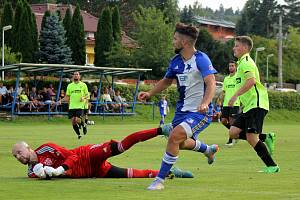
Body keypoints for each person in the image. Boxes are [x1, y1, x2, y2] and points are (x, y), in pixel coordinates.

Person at [138, 23, 219, 190]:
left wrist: (205, 102)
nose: (172, 42)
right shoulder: (175, 61)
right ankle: (207, 150)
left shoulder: (201, 59)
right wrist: (150, 93)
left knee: (175, 136)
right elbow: (167, 81)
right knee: (179, 143)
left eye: (175, 39)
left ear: (185, 43)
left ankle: (159, 180)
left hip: (200, 112)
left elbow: (211, 83)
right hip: (182, 112)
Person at [12, 128, 193, 179]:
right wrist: (46, 175)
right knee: (131, 174)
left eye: (20, 152)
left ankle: (161, 130)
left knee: (122, 146)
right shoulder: (31, 172)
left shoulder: (45, 148)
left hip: (87, 155)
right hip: (91, 172)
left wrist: (60, 169)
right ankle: (169, 172)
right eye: (16, 157)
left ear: (28, 147)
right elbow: (44, 177)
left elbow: (72, 156)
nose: (19, 157)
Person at [228, 36, 279, 173]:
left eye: (237, 45)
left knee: (251, 138)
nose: (234, 48)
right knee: (233, 132)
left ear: (245, 48)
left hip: (257, 104)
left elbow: (251, 81)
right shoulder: (241, 64)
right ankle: (266, 137)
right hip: (250, 106)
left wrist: (235, 96)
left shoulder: (246, 62)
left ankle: (272, 166)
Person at [59, 72, 89, 139]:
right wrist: (60, 101)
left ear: (79, 76)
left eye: (77, 74)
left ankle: (84, 125)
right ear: (73, 76)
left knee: (77, 119)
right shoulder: (70, 85)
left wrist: (83, 98)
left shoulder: (83, 85)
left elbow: (87, 95)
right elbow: (67, 97)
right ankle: (79, 134)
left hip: (80, 106)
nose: (76, 76)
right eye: (74, 74)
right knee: (73, 121)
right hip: (72, 106)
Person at [221, 61, 241, 146]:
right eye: (229, 66)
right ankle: (236, 134)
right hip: (226, 104)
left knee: (232, 121)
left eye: (232, 66)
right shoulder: (226, 78)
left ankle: (231, 140)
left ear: (236, 67)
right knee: (224, 121)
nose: (231, 67)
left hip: (235, 103)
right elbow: (223, 91)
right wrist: (220, 100)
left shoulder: (238, 77)